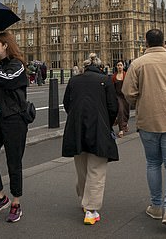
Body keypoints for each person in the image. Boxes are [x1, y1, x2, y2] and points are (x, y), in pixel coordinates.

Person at [122, 28, 166, 231]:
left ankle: (156, 206)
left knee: (152, 163)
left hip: (147, 120)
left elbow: (128, 93)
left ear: (146, 43)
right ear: (164, 41)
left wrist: (141, 102)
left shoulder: (138, 63)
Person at [62, 52, 118, 226]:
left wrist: (77, 118)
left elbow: (67, 104)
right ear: (100, 67)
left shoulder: (74, 80)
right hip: (98, 128)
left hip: (76, 129)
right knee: (96, 170)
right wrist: (106, 123)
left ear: (84, 67)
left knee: (82, 168)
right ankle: (91, 210)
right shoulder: (106, 80)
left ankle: (84, 200)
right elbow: (113, 107)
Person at [0, 31, 29, 223]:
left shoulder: (18, 66)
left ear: (6, 46)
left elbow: (7, 80)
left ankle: (16, 203)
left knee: (13, 162)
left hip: (14, 120)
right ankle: (0, 197)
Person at [112, 61, 129, 138]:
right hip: (118, 96)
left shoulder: (126, 75)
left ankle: (125, 123)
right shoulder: (114, 76)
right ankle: (121, 129)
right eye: (118, 65)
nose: (119, 66)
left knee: (126, 112)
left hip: (125, 96)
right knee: (120, 111)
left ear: (123, 66)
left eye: (121, 65)